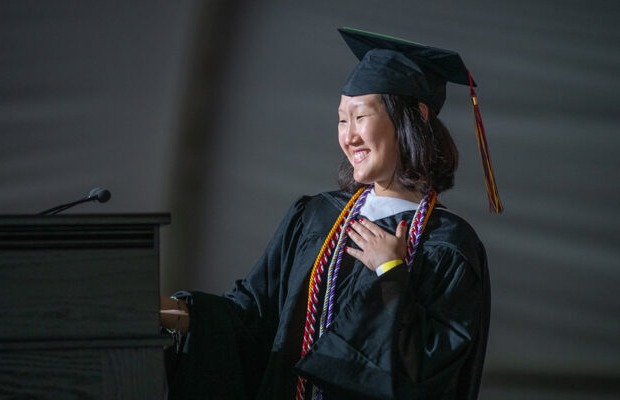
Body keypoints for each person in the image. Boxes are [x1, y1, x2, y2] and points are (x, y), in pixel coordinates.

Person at [160, 27, 501, 400]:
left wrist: (391, 274)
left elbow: (436, 374)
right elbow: (251, 318)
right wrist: (169, 311)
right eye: (342, 119)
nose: (348, 135)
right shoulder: (316, 217)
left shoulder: (449, 245)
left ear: (416, 116)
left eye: (360, 117)